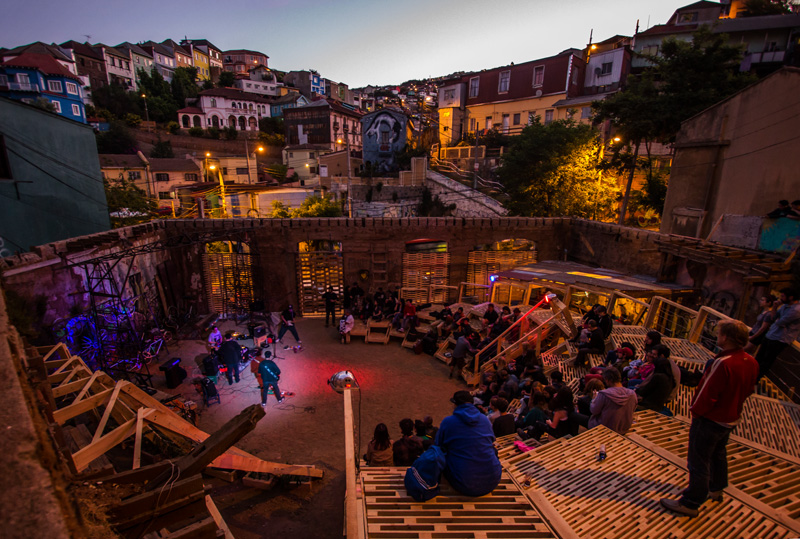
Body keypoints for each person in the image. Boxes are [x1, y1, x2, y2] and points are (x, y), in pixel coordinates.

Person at [660, 320, 759, 517]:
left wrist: (695, 412)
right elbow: (750, 390)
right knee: (718, 454)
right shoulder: (751, 361)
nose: (717, 337)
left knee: (698, 461)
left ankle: (691, 502)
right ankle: (716, 488)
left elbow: (707, 394)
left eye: (720, 334)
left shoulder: (722, 363)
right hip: (731, 418)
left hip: (710, 419)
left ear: (727, 338)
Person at [435, 390, 502, 497]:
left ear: (456, 405)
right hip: (492, 479)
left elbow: (438, 445)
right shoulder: (484, 420)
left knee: (440, 453)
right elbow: (490, 441)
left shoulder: (448, 422)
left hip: (464, 483)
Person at [754, 287, 800, 379]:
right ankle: (751, 376)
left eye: (783, 296)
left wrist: (776, 319)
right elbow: (773, 318)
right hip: (771, 335)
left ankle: (755, 379)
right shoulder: (785, 305)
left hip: (780, 339)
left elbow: (780, 322)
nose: (780, 299)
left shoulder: (796, 310)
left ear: (790, 297)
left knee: (766, 361)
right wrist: (774, 307)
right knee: (759, 357)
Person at [589, 367, 638, 434]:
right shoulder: (632, 394)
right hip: (624, 428)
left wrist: (593, 399)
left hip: (604, 429)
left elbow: (594, 411)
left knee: (576, 416)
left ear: (607, 380)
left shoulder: (604, 394)